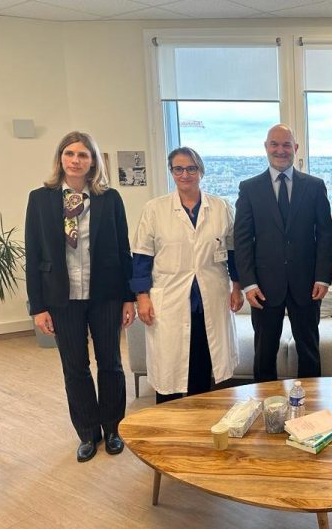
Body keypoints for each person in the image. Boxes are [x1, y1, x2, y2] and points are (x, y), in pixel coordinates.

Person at [25, 131, 135, 462]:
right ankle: (88, 433)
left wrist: (128, 297)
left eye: (83, 155)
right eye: (70, 154)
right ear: (61, 159)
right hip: (62, 297)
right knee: (75, 368)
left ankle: (113, 428)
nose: (76, 160)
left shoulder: (109, 198)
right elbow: (34, 255)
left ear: (93, 161)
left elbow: (123, 250)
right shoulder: (40, 199)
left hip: (105, 295)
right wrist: (38, 307)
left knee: (111, 364)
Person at [131, 147, 243, 404]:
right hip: (170, 298)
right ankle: (169, 420)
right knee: (169, 368)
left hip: (209, 298)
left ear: (200, 171)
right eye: (178, 169)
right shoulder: (155, 209)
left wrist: (237, 286)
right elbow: (141, 257)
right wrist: (142, 297)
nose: (185, 174)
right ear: (171, 172)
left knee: (202, 366)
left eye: (191, 168)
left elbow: (233, 251)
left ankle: (199, 418)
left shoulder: (220, 207)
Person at [234, 124, 332, 381]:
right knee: (264, 352)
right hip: (264, 287)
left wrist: (323, 278)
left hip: (307, 284)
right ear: (266, 147)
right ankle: (265, 401)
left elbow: (326, 234)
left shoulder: (314, 186)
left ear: (295, 148)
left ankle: (311, 401)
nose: (281, 150)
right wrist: (249, 283)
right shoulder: (249, 188)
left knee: (309, 350)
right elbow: (242, 240)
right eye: (275, 144)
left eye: (286, 144)